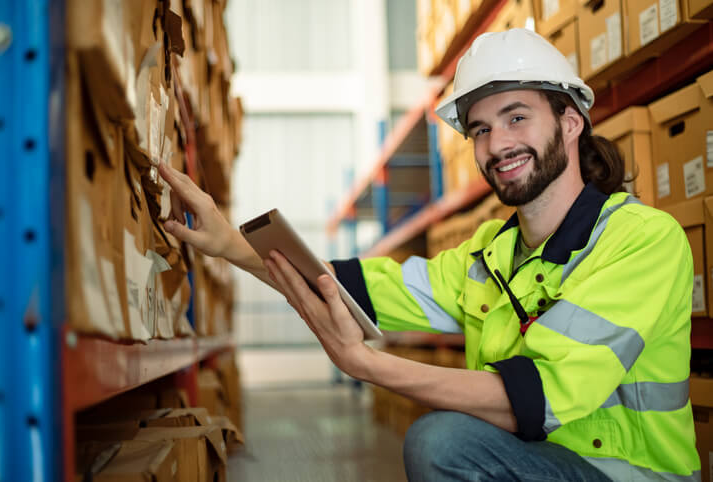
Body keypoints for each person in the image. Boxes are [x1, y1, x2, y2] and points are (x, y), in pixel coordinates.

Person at [158, 28, 699, 481]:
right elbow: (351, 291)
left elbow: (541, 398)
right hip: (541, 459)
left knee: (442, 441)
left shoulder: (642, 239)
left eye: (517, 118)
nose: (497, 145)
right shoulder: (492, 253)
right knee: (446, 438)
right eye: (481, 130)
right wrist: (230, 244)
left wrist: (366, 364)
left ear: (570, 123)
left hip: (630, 473)